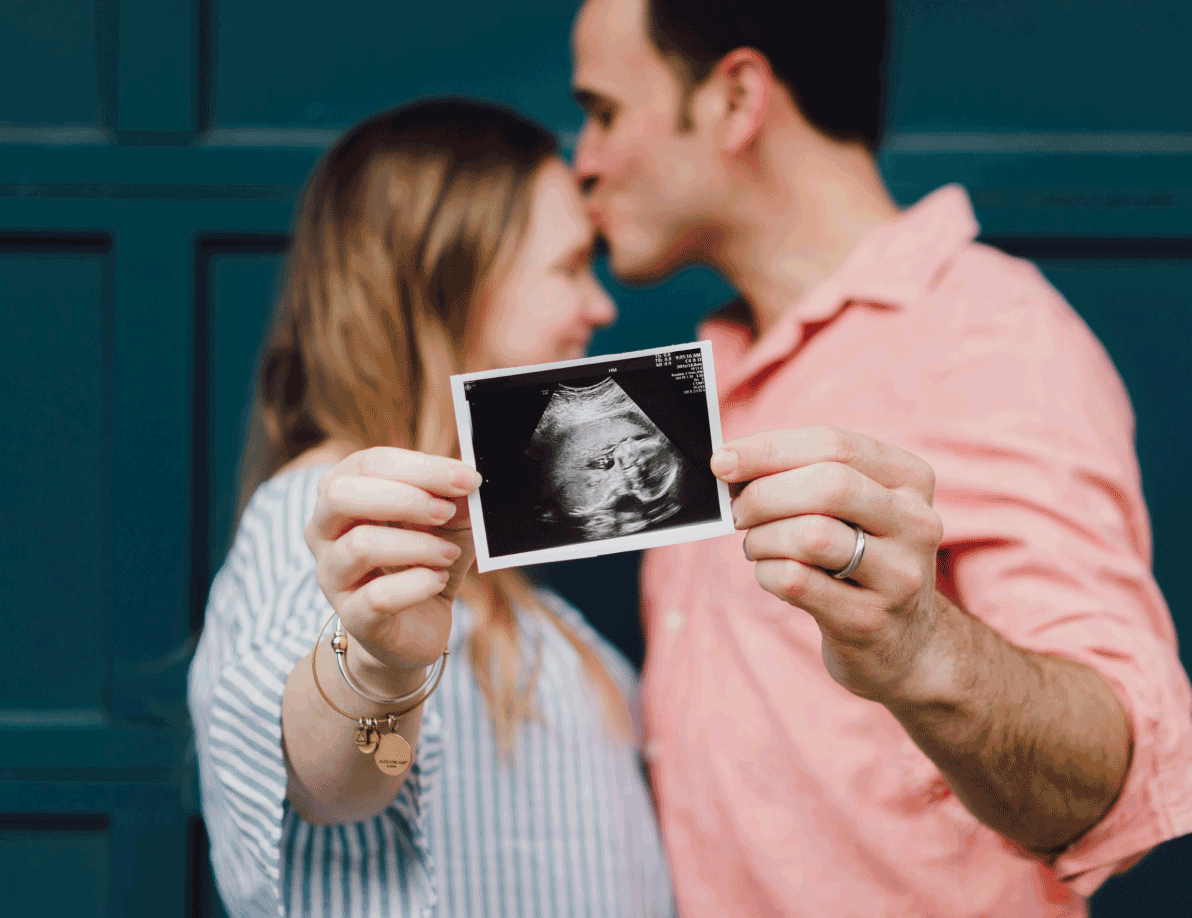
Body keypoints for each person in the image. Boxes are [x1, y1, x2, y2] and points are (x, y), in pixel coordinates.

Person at [562, 0, 1192, 915]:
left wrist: (917, 646)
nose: (582, 159)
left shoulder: (989, 338)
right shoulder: (704, 376)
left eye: (605, 111)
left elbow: (1114, 780)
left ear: (736, 98)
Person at [187, 99, 674, 918]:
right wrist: (379, 669)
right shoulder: (326, 520)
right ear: (448, 282)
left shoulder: (489, 562)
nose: (601, 307)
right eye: (568, 268)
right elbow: (330, 781)